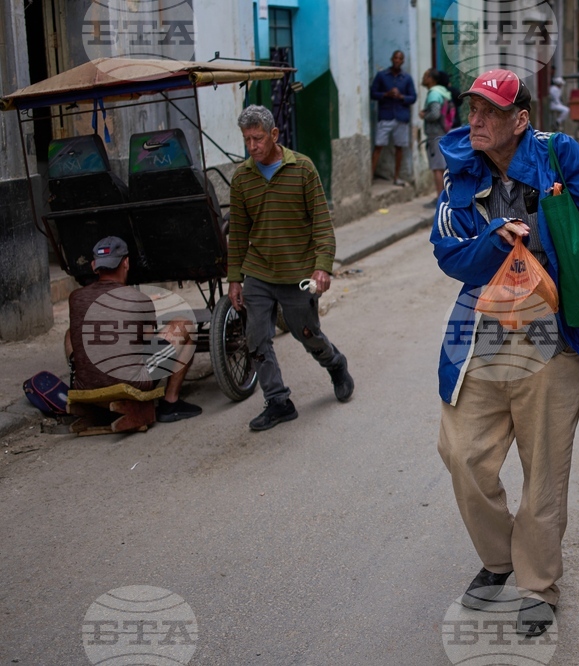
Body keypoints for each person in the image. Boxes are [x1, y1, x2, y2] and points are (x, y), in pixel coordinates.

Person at [430, 68, 579, 638]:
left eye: (492, 112)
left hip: (551, 324)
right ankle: (501, 558)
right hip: (479, 325)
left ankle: (537, 584)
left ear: (520, 120)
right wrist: (489, 239)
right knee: (462, 453)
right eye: (472, 109)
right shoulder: (461, 169)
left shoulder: (558, 157)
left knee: (544, 467)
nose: (476, 121)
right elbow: (447, 255)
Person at [227, 105, 355, 432]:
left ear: (273, 135)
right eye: (247, 140)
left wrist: (322, 267)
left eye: (258, 138)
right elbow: (239, 232)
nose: (252, 146)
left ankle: (335, 364)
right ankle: (278, 401)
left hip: (298, 273)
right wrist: (235, 280)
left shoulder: (303, 169)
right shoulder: (242, 177)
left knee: (307, 334)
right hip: (258, 272)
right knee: (256, 339)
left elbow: (323, 226)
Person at [65, 236, 202, 423]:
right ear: (126, 263)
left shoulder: (75, 297)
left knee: (69, 333)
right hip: (132, 382)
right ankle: (171, 403)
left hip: (85, 385)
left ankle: (86, 377)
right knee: (184, 325)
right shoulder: (138, 299)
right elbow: (147, 342)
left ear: (94, 265)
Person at [370, 50, 417, 186]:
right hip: (385, 116)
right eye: (395, 58)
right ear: (391, 59)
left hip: (401, 116)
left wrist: (401, 97)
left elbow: (413, 97)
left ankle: (396, 177)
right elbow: (373, 93)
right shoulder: (381, 76)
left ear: (403, 61)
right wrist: (386, 94)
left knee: (399, 148)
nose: (397, 60)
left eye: (400, 58)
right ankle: (370, 177)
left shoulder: (406, 78)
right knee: (378, 146)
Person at [420, 68, 453, 204]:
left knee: (437, 166)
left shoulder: (434, 93)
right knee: (443, 165)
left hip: (435, 133)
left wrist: (424, 115)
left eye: (425, 76)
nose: (423, 78)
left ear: (431, 79)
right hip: (444, 131)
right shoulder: (443, 92)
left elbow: (435, 114)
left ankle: (440, 199)